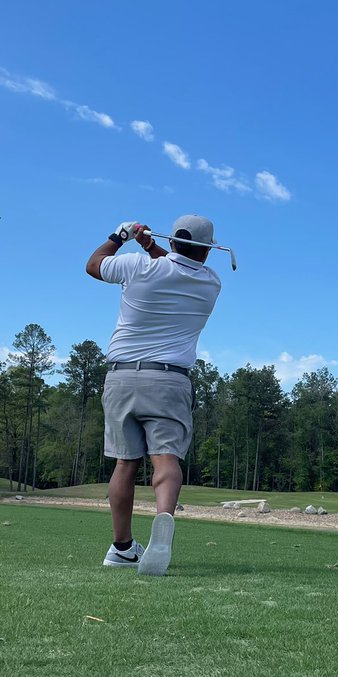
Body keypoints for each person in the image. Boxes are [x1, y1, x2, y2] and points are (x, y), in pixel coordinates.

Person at [86, 215, 222, 576]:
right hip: (169, 380)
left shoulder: (137, 267)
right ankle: (163, 520)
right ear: (208, 251)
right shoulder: (211, 282)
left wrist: (121, 236)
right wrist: (150, 246)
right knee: (165, 459)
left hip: (121, 377)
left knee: (125, 463)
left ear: (172, 241)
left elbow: (94, 265)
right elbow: (178, 266)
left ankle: (122, 548)